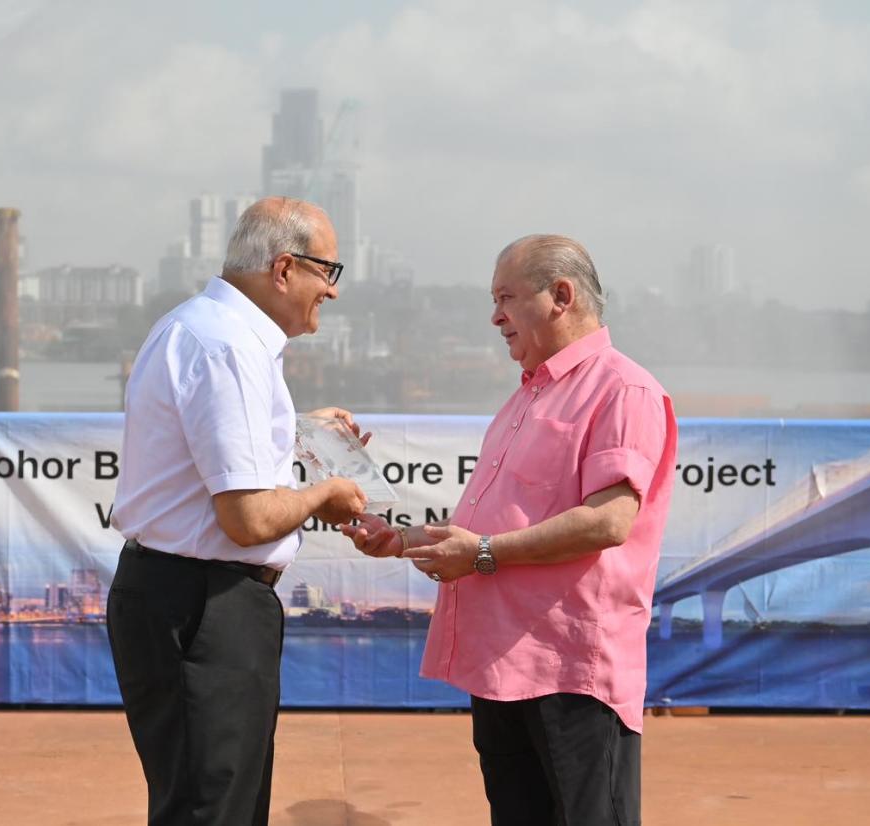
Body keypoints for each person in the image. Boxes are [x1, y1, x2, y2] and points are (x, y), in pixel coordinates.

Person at [341, 234, 676, 826]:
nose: (494, 317)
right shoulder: (529, 395)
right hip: (503, 666)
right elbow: (489, 528)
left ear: (562, 296)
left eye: (506, 298)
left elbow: (609, 519)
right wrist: (400, 541)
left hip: (572, 670)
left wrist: (486, 554)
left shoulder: (623, 389)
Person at [108, 196, 368, 826]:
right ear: (284, 269)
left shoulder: (204, 329)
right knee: (212, 807)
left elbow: (204, 449)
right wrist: (325, 495)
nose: (331, 293)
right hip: (203, 605)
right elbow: (248, 519)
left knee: (215, 799)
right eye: (327, 272)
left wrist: (299, 431)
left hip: (190, 596)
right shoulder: (228, 347)